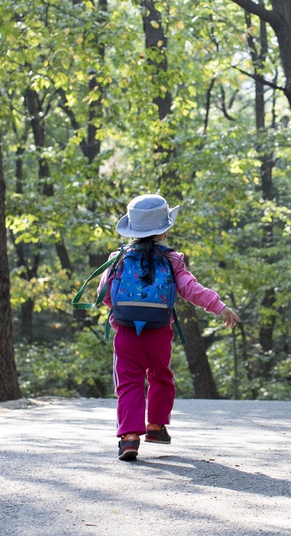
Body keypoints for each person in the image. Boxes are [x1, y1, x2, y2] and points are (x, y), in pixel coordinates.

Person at [98, 194, 241, 461]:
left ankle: (129, 437)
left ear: (132, 228)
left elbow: (104, 293)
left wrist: (121, 313)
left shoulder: (119, 257)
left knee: (128, 383)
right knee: (161, 376)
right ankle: (155, 426)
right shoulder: (172, 259)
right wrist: (220, 306)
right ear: (164, 230)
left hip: (127, 333)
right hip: (159, 333)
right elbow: (190, 289)